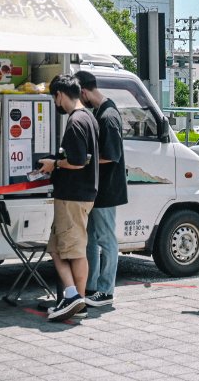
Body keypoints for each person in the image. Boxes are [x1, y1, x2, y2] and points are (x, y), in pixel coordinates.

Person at [38, 74, 99, 321]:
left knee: (73, 251)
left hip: (72, 195)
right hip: (82, 194)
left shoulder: (75, 122)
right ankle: (74, 297)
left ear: (60, 95)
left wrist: (54, 164)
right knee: (57, 248)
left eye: (55, 98)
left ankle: (76, 298)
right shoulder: (90, 118)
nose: (56, 104)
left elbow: (77, 161)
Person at [74, 70, 127, 308]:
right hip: (99, 188)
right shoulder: (101, 111)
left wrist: (84, 160)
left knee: (106, 239)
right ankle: (92, 286)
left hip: (107, 188)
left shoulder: (108, 115)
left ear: (83, 92)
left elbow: (111, 155)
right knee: (92, 239)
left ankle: (106, 290)